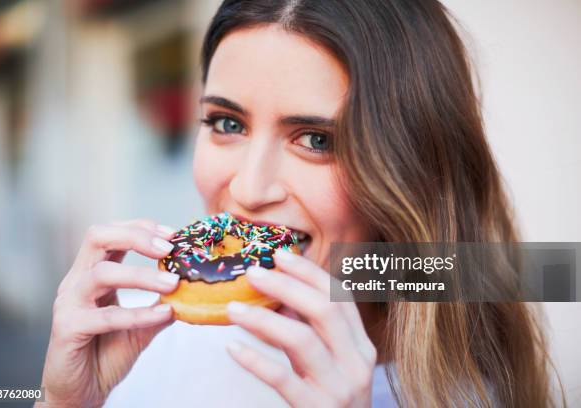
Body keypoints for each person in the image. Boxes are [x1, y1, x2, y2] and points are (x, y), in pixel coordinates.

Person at [38, 0, 557, 406]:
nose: (248, 189)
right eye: (227, 124)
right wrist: (66, 403)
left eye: (316, 140)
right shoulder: (135, 337)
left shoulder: (473, 384)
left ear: (411, 167)